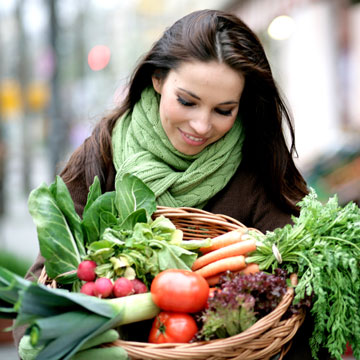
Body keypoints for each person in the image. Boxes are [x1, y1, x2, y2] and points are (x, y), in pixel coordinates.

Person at [14, 8, 331, 360]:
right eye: (187, 101)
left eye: (223, 111)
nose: (200, 125)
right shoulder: (100, 155)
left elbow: (309, 299)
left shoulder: (259, 167)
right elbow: (40, 292)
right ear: (158, 79)